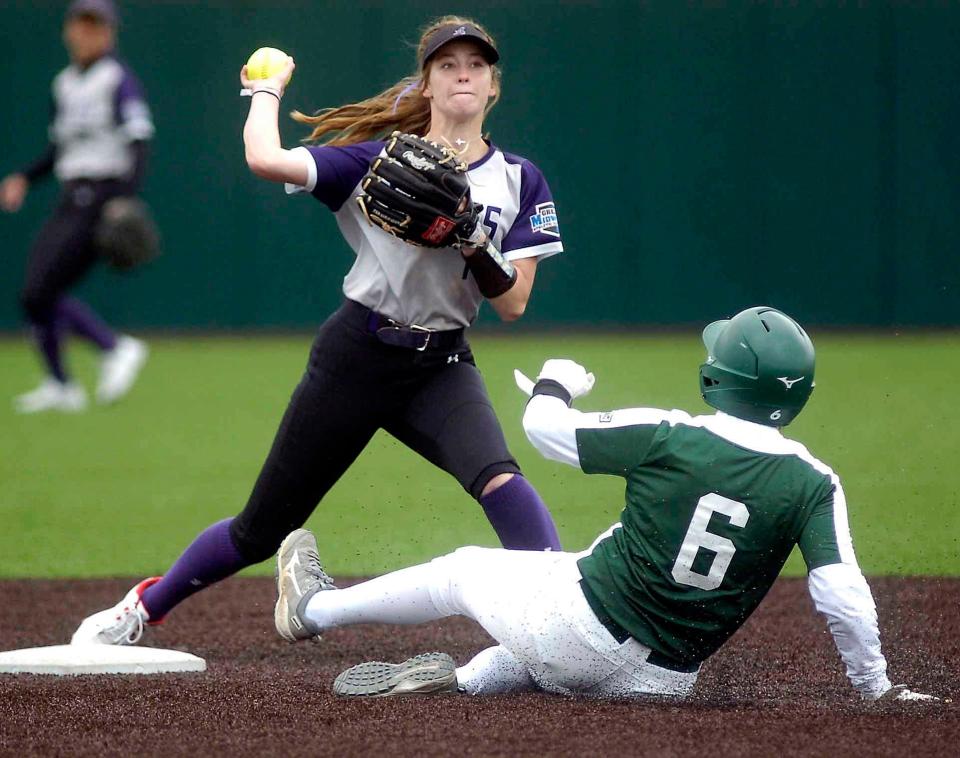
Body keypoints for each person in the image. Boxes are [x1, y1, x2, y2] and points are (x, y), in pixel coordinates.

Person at [71, 16, 564, 645]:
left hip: (438, 365)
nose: (463, 73)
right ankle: (143, 607)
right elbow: (264, 159)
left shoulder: (520, 178)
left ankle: (561, 611)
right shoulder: (377, 159)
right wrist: (265, 90)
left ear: (494, 85)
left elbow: (514, 302)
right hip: (356, 356)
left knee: (500, 478)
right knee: (260, 530)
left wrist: (470, 234)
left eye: (476, 64)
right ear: (428, 83)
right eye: (448, 64)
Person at [270, 306, 938, 702]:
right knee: (553, 611)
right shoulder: (814, 480)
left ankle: (312, 609)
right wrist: (875, 687)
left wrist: (556, 382)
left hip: (579, 631)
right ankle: (471, 681)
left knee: (463, 570)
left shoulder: (673, 436)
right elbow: (842, 593)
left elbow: (543, 431)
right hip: (666, 684)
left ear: (720, 377)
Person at [0, 0, 151, 413]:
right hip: (71, 192)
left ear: (109, 33)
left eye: (96, 26)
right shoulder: (64, 83)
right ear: (69, 31)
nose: (87, 33)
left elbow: (139, 142)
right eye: (81, 25)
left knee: (39, 290)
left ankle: (113, 348)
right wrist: (24, 178)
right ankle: (62, 384)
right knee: (36, 294)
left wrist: (122, 199)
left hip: (101, 194)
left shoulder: (116, 79)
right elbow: (59, 148)